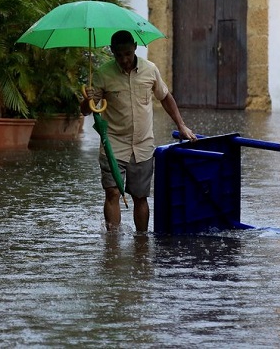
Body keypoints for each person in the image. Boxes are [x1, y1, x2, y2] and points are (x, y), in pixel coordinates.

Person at [80, 30, 197, 233]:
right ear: (112, 52)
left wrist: (181, 125)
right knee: (112, 193)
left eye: (127, 53)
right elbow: (87, 111)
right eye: (119, 55)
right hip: (113, 145)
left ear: (135, 47)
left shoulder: (150, 70)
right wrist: (86, 99)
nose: (124, 59)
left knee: (140, 196)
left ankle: (141, 243)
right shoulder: (103, 74)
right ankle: (113, 244)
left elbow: (165, 97)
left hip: (142, 145)